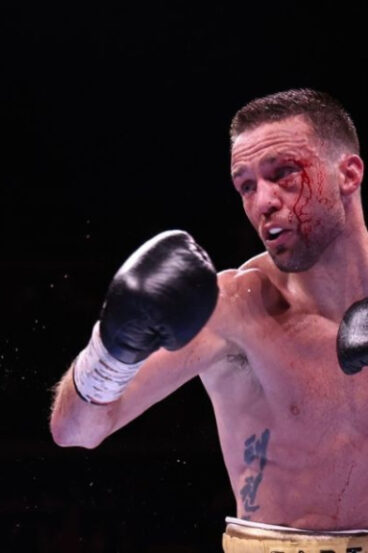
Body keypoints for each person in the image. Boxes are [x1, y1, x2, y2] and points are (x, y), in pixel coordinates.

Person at [50, 88, 368, 552]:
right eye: (246, 187)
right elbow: (76, 431)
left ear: (349, 174)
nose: (263, 202)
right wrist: (112, 347)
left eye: (283, 174)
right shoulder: (234, 307)